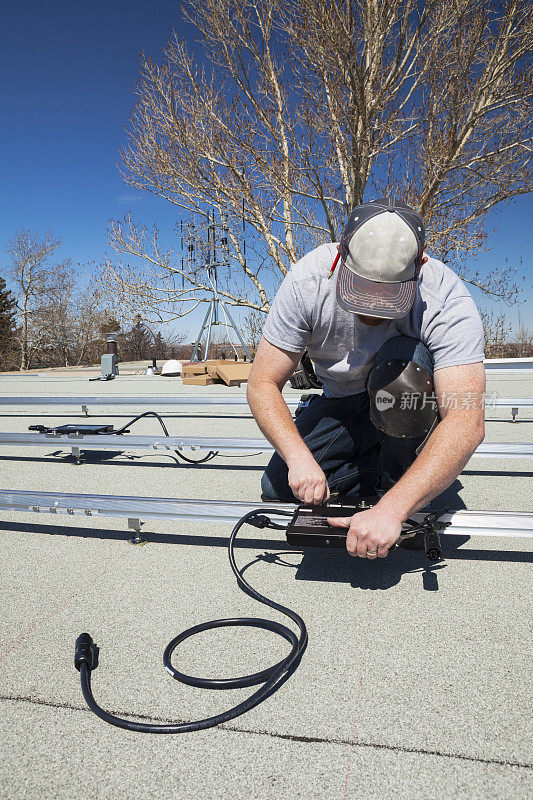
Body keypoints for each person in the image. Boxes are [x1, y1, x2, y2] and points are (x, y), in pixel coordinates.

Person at [247, 197, 486, 559]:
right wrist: (298, 458)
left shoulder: (445, 298)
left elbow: (467, 418)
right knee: (278, 485)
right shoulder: (308, 281)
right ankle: (392, 463)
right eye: (361, 292)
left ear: (419, 266)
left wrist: (393, 509)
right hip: (343, 400)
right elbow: (262, 383)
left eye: (388, 296)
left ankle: (398, 479)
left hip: (407, 397)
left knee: (402, 374)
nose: (371, 308)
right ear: (341, 254)